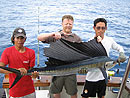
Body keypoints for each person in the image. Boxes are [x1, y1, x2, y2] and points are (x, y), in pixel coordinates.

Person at [37, 15, 82, 98]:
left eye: (70, 24)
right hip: (57, 69)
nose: (68, 25)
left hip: (71, 70)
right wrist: (53, 34)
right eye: (66, 24)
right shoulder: (55, 36)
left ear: (73, 24)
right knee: (56, 92)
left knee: (73, 93)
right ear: (62, 24)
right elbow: (39, 38)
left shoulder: (77, 38)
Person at [81, 18, 126, 98]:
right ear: (94, 28)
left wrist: (121, 53)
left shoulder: (109, 40)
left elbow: (119, 47)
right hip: (91, 77)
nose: (101, 30)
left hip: (103, 76)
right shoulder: (90, 42)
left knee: (101, 96)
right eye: (98, 28)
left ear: (106, 28)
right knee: (85, 96)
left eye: (103, 28)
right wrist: (83, 69)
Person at [0, 27, 37, 98]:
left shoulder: (31, 52)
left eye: (22, 38)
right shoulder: (7, 51)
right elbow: (0, 68)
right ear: (13, 39)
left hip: (29, 91)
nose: (20, 40)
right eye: (17, 38)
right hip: (15, 92)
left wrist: (35, 75)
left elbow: (31, 71)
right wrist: (16, 71)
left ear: (25, 39)